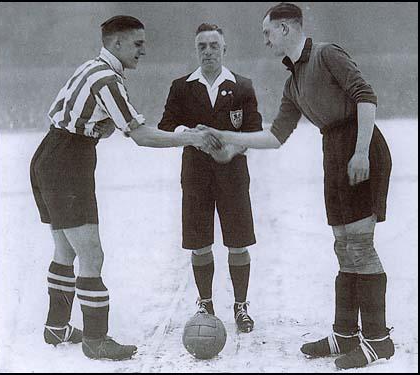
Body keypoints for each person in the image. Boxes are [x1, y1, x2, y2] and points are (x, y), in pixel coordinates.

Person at [197, 3, 394, 369]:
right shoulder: (293, 82)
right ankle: (345, 334)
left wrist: (361, 151)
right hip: (332, 150)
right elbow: (275, 136)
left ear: (286, 28)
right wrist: (228, 141)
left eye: (268, 33)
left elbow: (366, 97)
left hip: (359, 145)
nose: (265, 40)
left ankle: (379, 340)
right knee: (342, 244)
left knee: (361, 245)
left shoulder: (326, 54)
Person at [30, 15, 220, 361]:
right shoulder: (107, 80)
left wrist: (96, 128)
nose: (143, 51)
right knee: (92, 255)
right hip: (67, 164)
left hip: (50, 155)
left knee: (66, 250)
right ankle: (96, 339)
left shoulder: (92, 68)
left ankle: (56, 327)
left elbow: (64, 112)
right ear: (116, 43)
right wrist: (189, 138)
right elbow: (141, 136)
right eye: (138, 44)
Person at [158, 23, 263, 333]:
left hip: (233, 175)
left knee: (238, 243)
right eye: (201, 46)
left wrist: (230, 151)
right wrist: (190, 135)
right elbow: (166, 126)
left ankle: (241, 306)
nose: (207, 51)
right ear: (196, 50)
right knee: (199, 243)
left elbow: (254, 132)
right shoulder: (182, 86)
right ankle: (205, 303)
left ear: (224, 49)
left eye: (213, 45)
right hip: (195, 175)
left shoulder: (242, 86)